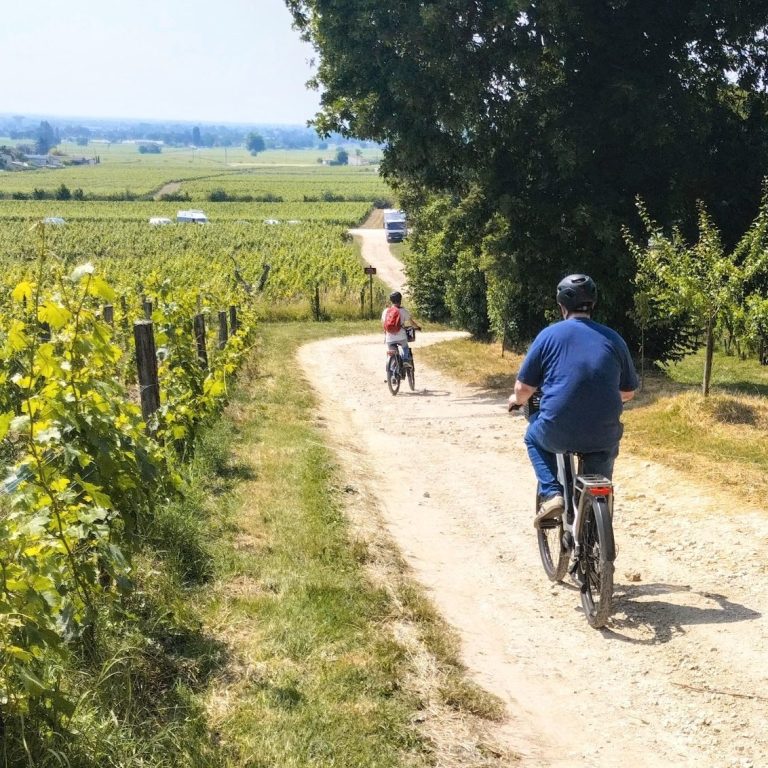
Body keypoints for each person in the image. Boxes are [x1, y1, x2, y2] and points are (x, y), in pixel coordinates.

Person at [508, 274, 639, 528]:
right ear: (593, 304)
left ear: (561, 306)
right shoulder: (614, 339)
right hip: (603, 433)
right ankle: (595, 530)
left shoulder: (548, 336)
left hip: (558, 428)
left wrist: (516, 400)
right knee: (601, 468)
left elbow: (524, 388)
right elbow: (628, 392)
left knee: (532, 436)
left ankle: (551, 494)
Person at [381, 291, 420, 372]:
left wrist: (385, 334)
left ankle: (392, 371)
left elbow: (384, 324)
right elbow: (411, 322)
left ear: (391, 300)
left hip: (389, 338)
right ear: (400, 300)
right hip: (401, 337)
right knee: (405, 346)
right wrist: (418, 327)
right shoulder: (403, 311)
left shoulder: (386, 311)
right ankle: (405, 360)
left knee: (392, 352)